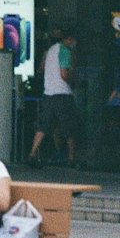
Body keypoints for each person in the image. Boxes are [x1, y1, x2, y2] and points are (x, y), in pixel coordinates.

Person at [28, 29, 78, 167]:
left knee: (43, 126)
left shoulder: (49, 51)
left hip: (48, 93)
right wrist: (72, 78)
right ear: (70, 39)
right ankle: (71, 158)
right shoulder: (65, 51)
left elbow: (42, 68)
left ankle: (32, 154)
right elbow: (64, 74)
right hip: (62, 93)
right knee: (68, 127)